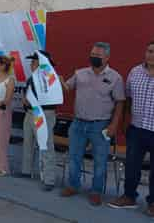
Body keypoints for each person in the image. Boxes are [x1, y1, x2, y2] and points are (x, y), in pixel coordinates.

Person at [60, 42, 125, 206]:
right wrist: (58, 81)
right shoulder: (80, 73)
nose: (94, 57)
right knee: (74, 157)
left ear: (107, 57)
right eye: (93, 54)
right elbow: (67, 87)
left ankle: (96, 191)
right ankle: (73, 185)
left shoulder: (115, 78)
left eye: (98, 55)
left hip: (100, 125)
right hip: (78, 123)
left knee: (100, 161)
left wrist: (114, 125)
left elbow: (120, 103)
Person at [108, 40, 154, 217]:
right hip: (137, 128)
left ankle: (153, 203)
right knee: (132, 166)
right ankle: (129, 197)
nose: (151, 54)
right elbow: (127, 99)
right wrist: (125, 122)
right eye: (149, 50)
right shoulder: (135, 72)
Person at [19, 51, 59, 191]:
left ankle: (49, 179)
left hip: (44, 114)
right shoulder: (31, 78)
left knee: (46, 146)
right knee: (28, 142)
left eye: (35, 62)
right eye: (32, 62)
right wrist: (26, 101)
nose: (32, 64)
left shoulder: (50, 79)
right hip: (30, 113)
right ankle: (26, 171)